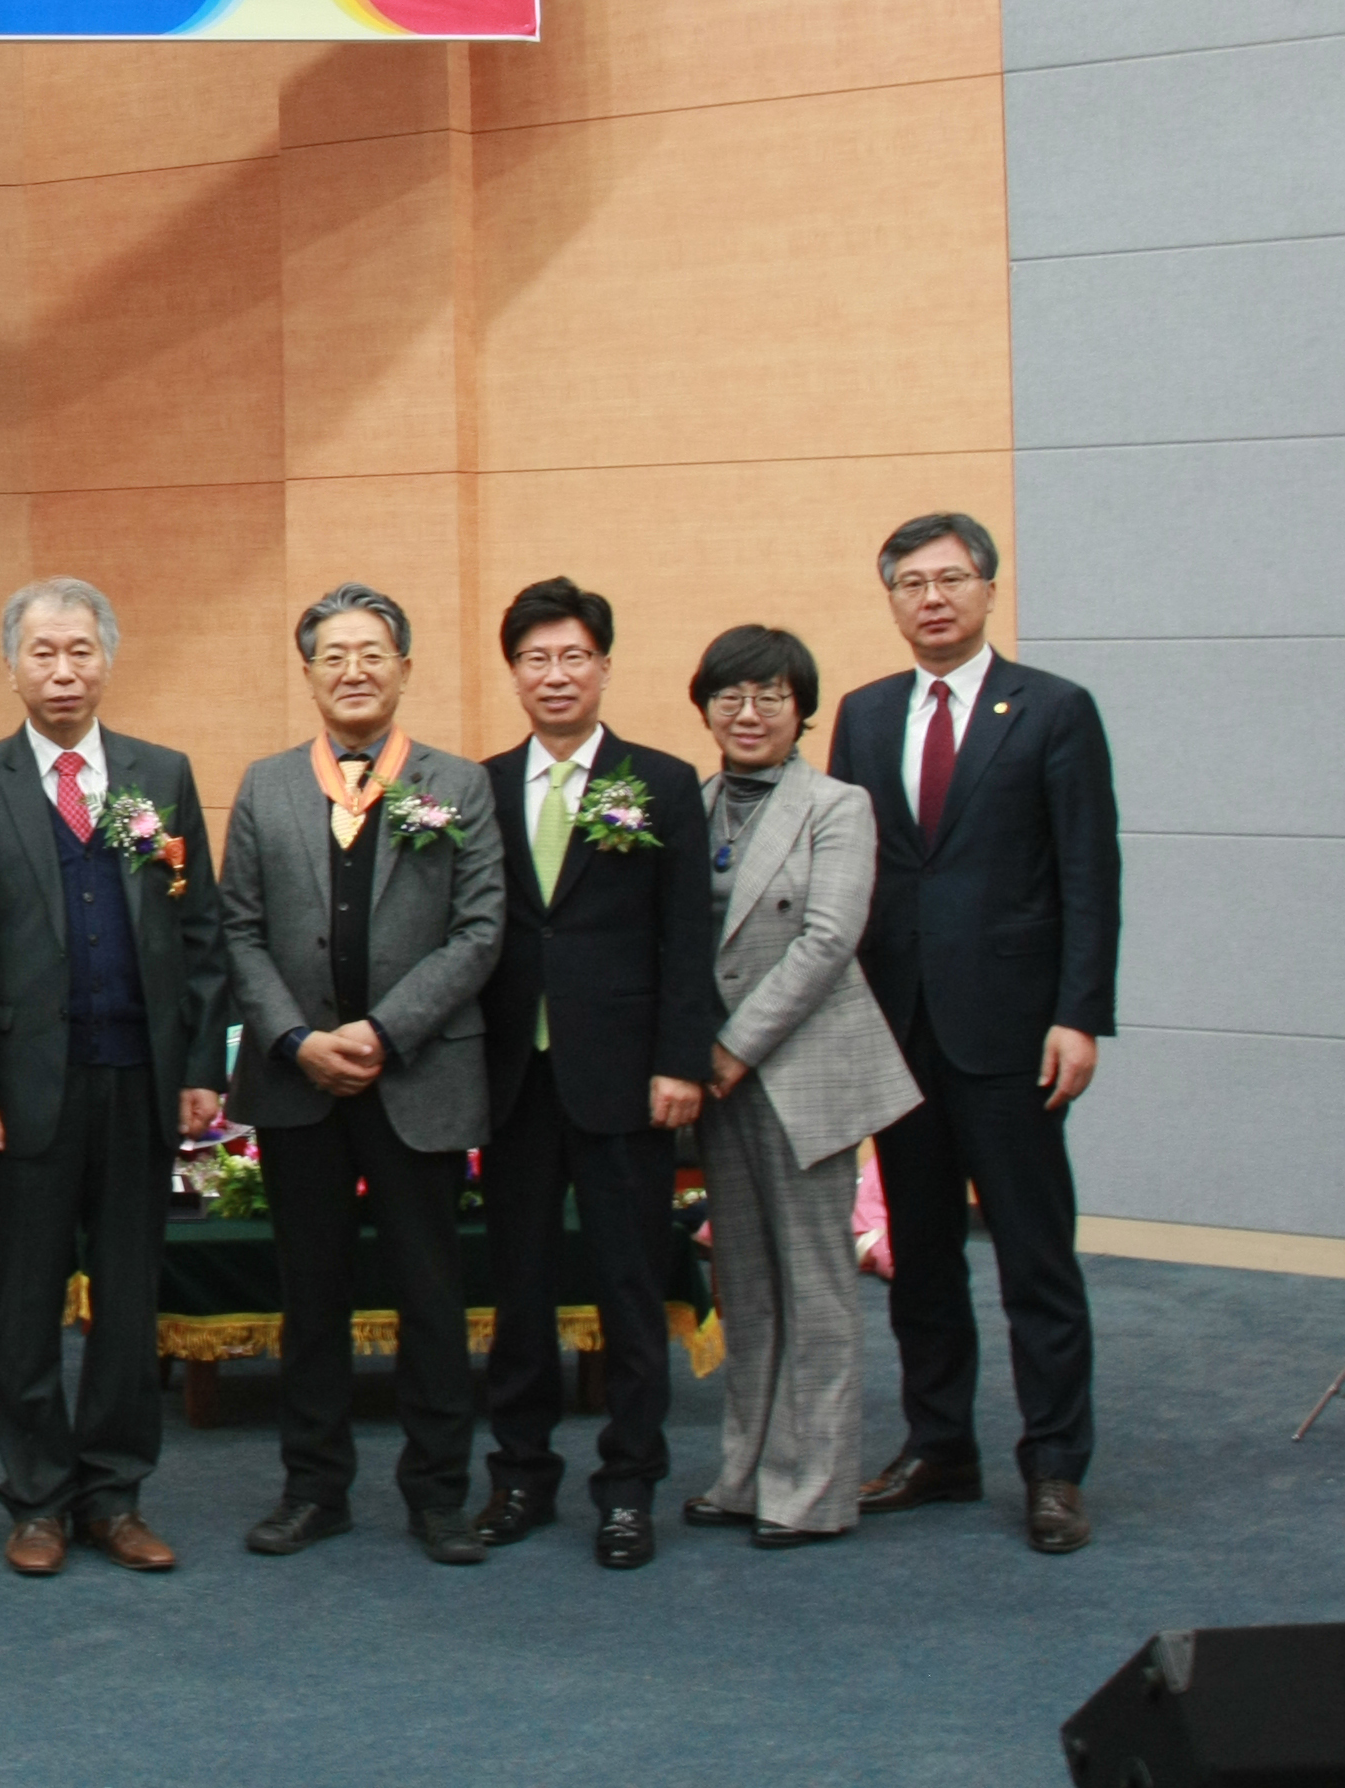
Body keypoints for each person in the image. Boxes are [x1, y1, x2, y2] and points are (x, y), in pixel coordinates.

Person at [0, 577, 225, 1579]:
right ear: (13, 663)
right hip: (25, 1090)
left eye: (81, 650)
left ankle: (115, 1493)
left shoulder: (161, 773)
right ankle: (39, 1498)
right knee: (25, 1305)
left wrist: (195, 1068)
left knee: (131, 1305)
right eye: (44, 651)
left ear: (108, 658)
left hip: (138, 1079)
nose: (64, 670)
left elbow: (199, 931)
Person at [826, 512, 1118, 1553]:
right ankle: (940, 1444)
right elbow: (852, 875)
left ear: (989, 589)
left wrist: (1081, 1013)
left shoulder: (1052, 710)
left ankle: (1054, 1465)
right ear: (893, 598)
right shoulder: (863, 715)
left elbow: (1089, 872)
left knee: (1036, 1258)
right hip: (898, 1030)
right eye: (910, 581)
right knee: (926, 1259)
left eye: (951, 578)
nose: (932, 597)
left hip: (1013, 1031)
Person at [218, 583, 503, 1567]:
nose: (353, 668)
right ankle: (314, 1487)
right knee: (313, 1295)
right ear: (308, 672)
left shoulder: (457, 785)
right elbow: (239, 929)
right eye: (333, 653)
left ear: (404, 666)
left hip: (416, 1074)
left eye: (372, 651)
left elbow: (479, 930)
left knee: (432, 1292)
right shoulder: (265, 786)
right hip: (300, 1081)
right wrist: (297, 1037)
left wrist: (382, 1031)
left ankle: (438, 1492)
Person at [469, 579, 717, 1570]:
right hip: (510, 1080)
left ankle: (628, 1486)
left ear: (604, 665)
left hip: (625, 1079)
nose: (556, 674)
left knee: (626, 1287)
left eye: (574, 656)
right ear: (514, 672)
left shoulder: (658, 782)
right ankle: (520, 1474)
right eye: (536, 658)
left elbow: (685, 937)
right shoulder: (476, 787)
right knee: (517, 1288)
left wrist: (680, 1061)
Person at [678, 624, 919, 1548]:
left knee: (816, 1289)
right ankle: (745, 1473)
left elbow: (827, 940)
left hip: (799, 1070)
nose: (749, 713)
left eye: (771, 696)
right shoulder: (687, 804)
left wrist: (732, 1048)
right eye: (731, 695)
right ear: (703, 706)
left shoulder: (838, 804)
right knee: (744, 1283)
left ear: (801, 709)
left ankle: (811, 1491)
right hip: (717, 1081)